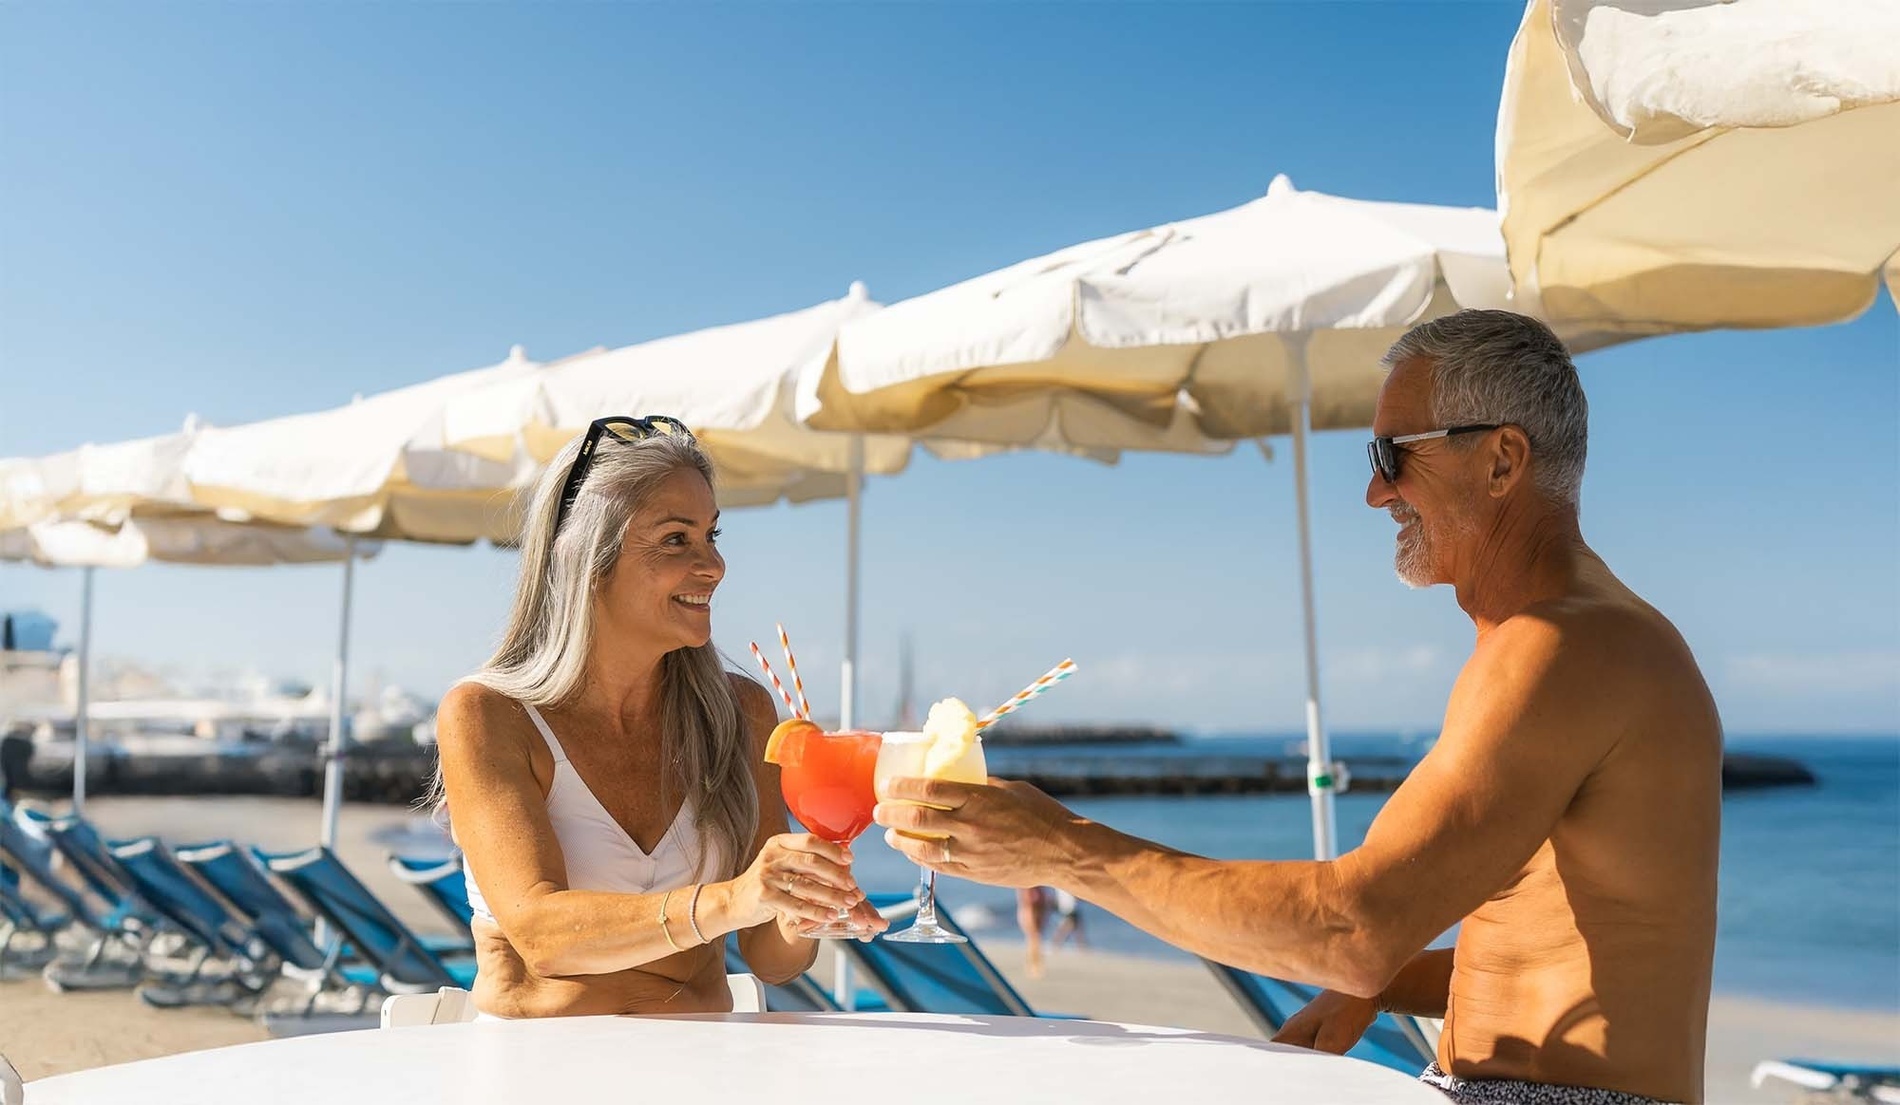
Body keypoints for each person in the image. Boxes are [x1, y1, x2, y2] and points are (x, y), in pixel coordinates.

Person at [875, 311, 1721, 1105]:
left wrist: (1067, 851)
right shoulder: (1564, 639)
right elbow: (1566, 943)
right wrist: (1388, 985)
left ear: (1503, 460)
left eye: (1394, 456)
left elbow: (1355, 927)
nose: (1375, 493)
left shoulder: (1561, 647)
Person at [434, 416, 885, 1019]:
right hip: (537, 1070)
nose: (714, 565)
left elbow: (773, 959)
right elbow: (542, 936)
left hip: (704, 1063)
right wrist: (736, 898)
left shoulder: (742, 712)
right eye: (676, 539)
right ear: (589, 559)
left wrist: (801, 900)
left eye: (712, 536)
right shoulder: (489, 715)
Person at [1016, 886, 1052, 977]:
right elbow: (1025, 900)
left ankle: (1035, 965)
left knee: (1034, 939)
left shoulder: (1034, 886)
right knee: (1034, 939)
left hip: (1034, 910)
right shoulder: (1029, 887)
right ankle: (1033, 966)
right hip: (1030, 910)